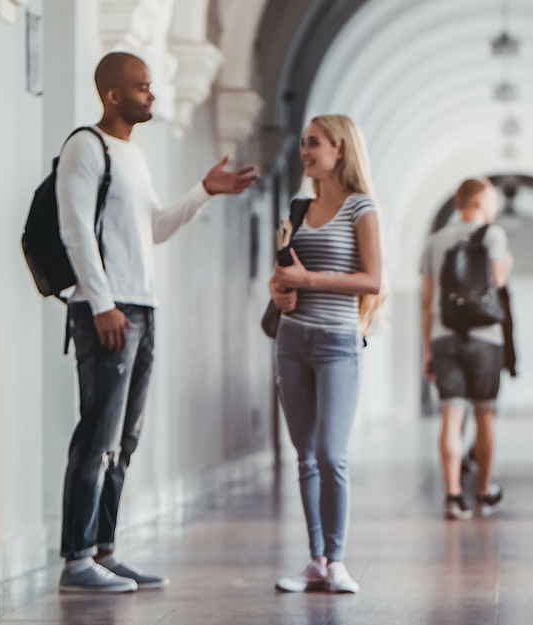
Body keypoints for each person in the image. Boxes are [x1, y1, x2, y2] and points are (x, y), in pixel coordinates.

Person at [56, 51, 257, 593]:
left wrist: (204, 191)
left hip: (142, 306)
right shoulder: (86, 147)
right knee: (97, 433)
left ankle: (104, 550)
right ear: (112, 95)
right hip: (108, 309)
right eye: (142, 88)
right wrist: (100, 304)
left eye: (151, 86)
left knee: (125, 438)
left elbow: (156, 229)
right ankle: (76, 559)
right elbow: (75, 230)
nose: (153, 95)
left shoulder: (133, 158)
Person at [269, 115, 383, 594]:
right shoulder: (297, 207)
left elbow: (374, 281)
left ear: (340, 149)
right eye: (303, 143)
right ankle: (315, 560)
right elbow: (280, 278)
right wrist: (280, 293)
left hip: (338, 343)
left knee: (331, 454)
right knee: (305, 457)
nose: (305, 151)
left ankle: (337, 561)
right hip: (292, 341)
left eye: (314, 143)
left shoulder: (362, 208)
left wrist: (309, 281)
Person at [420, 178, 513, 520]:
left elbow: (426, 300)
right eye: (490, 201)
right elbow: (498, 280)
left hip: (445, 336)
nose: (494, 208)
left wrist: (427, 349)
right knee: (484, 416)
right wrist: (508, 262)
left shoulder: (435, 240)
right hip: (485, 337)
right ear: (477, 202)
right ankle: (484, 493)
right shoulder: (493, 234)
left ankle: (453, 497)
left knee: (450, 417)